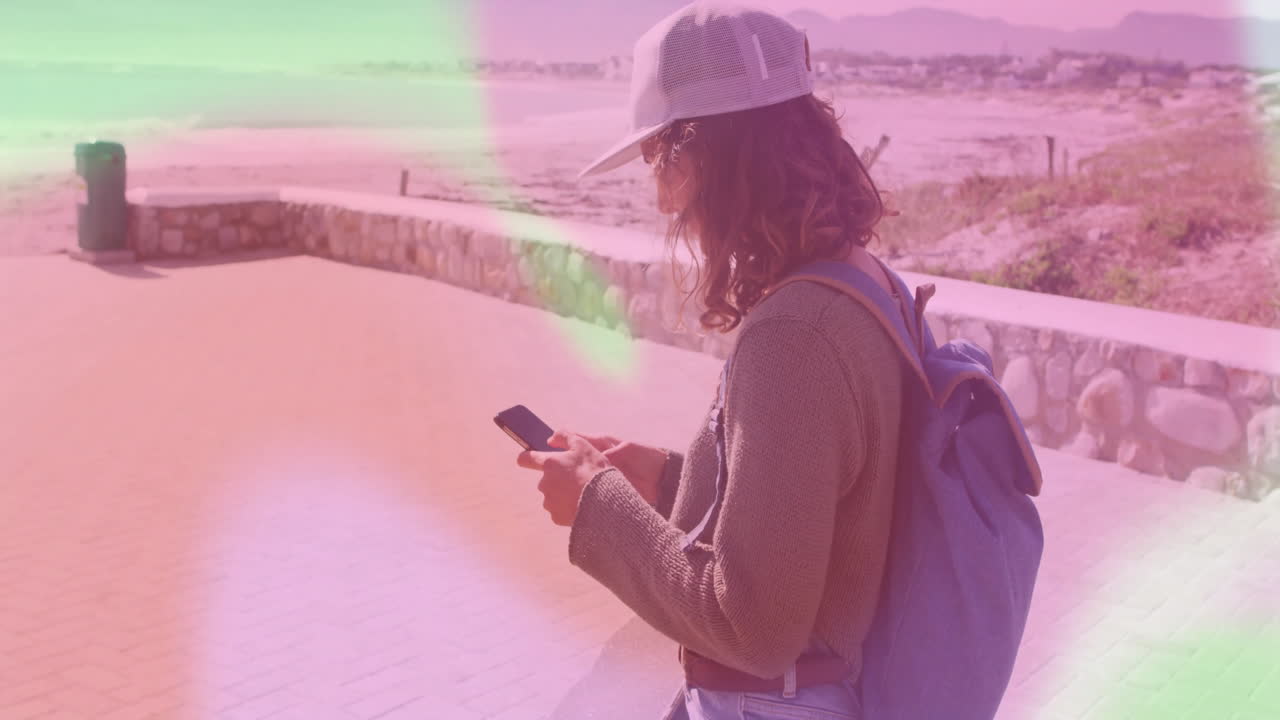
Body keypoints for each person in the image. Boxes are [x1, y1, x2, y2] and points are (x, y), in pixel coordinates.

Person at [516, 3, 907, 718]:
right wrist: (671, 481)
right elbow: (815, 505)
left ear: (698, 157)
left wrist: (594, 507)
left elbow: (751, 626)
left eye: (656, 165)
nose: (665, 203)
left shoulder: (795, 337)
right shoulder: (858, 280)